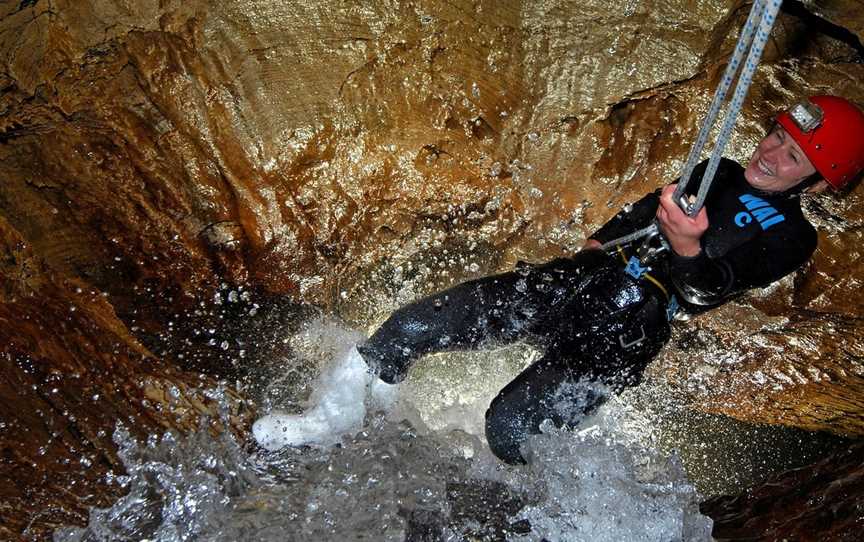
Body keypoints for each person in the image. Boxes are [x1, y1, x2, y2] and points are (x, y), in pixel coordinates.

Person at [357, 95, 864, 464]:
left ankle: (513, 512)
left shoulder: (795, 237)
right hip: (581, 281)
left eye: (793, 156)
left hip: (628, 333)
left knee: (510, 428)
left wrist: (687, 247)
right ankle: (343, 420)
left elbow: (707, 288)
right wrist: (595, 248)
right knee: (407, 330)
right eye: (778, 135)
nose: (771, 153)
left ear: (816, 180)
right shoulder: (719, 170)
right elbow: (641, 211)